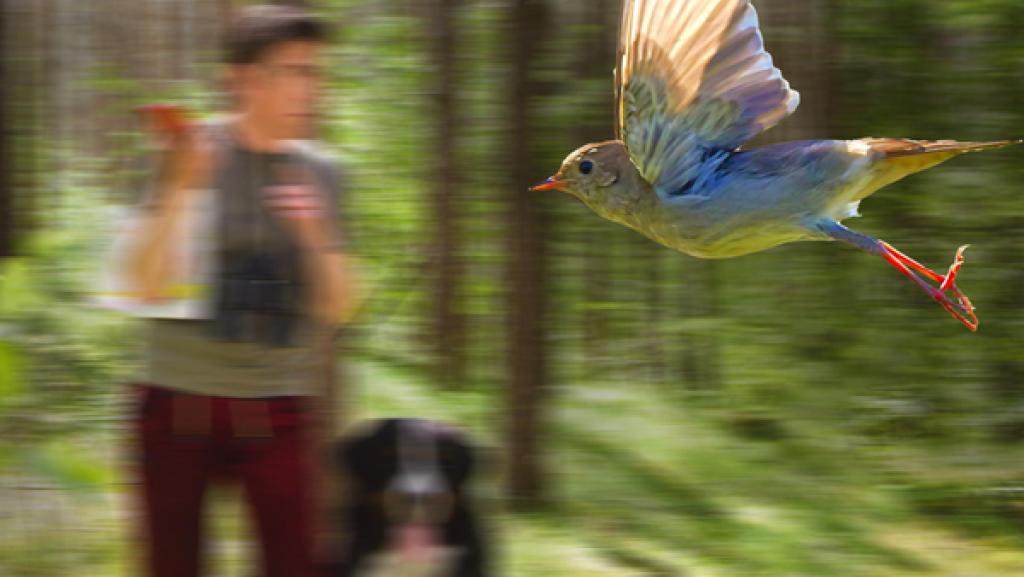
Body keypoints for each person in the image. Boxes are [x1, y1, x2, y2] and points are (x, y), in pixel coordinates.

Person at [118, 5, 358, 577]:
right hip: (176, 406)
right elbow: (141, 285)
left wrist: (316, 234)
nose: (312, 89)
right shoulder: (183, 152)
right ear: (242, 79)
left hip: (280, 410)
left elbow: (339, 306)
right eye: (296, 72)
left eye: (317, 73)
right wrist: (183, 187)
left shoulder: (324, 172)